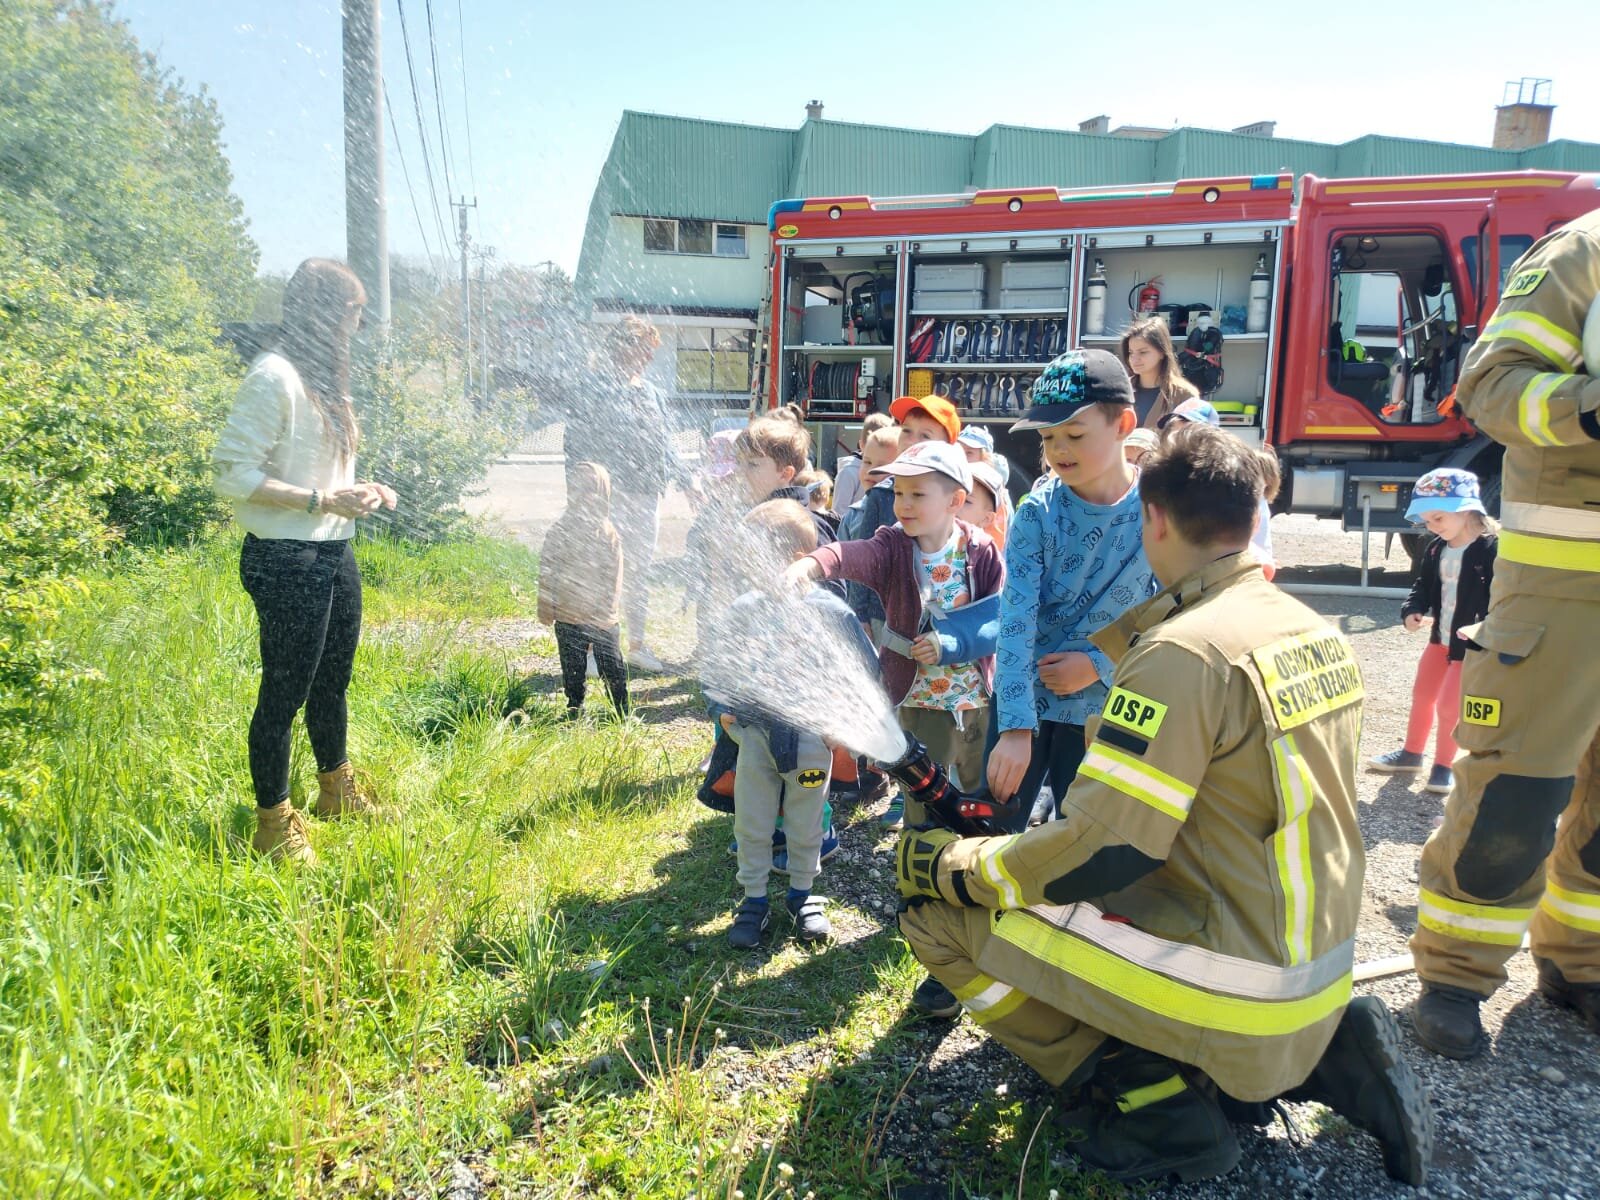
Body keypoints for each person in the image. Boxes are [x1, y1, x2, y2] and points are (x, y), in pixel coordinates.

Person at [896, 422, 1431, 1187]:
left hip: (1240, 978)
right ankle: (1325, 1052)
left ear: (1154, 518)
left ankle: (1158, 1107)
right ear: (1250, 516)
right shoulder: (1311, 631)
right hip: (1313, 959)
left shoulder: (1184, 655)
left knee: (938, 917)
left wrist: (960, 866)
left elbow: (1105, 849)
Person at [1410, 209, 1600, 1057]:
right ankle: (1455, 973)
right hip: (1566, 585)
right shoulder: (1586, 251)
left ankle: (1581, 961)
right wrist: (1589, 406)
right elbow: (1491, 386)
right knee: (1517, 791)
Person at [212, 257, 397, 865]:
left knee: (332, 681)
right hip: (285, 557)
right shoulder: (273, 376)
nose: (357, 327)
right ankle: (273, 823)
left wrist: (364, 488)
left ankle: (335, 790)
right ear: (324, 313)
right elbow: (232, 474)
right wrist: (321, 498)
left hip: (332, 547)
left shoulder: (320, 378)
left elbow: (322, 475)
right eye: (353, 314)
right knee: (284, 692)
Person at [987, 349, 1159, 831]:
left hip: (1109, 707)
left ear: (1124, 424)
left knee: (1098, 837)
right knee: (997, 828)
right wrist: (1015, 729)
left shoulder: (1160, 511)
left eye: (1075, 434)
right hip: (1028, 707)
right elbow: (1015, 622)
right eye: (1047, 437)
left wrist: (1100, 663)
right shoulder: (1035, 514)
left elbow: (1173, 612)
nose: (1058, 448)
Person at [701, 500, 878, 947]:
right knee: (753, 821)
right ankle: (753, 899)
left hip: (809, 743)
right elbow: (718, 669)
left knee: (806, 819)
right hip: (755, 739)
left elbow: (866, 672)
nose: (747, 566)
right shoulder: (743, 610)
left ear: (799, 561)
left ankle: (803, 894)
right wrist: (719, 707)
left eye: (755, 555)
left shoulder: (833, 614)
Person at [564, 316, 696, 674]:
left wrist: (687, 482)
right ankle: (592, 652)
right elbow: (575, 442)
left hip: (645, 495)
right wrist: (577, 490)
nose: (649, 358)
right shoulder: (592, 388)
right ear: (622, 347)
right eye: (644, 350)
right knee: (601, 570)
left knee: (638, 570)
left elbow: (666, 443)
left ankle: (637, 645)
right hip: (606, 495)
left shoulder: (651, 392)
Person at [1368, 469, 1497, 797]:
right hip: (1439, 640)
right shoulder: (1435, 548)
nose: (1431, 526)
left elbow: (1504, 596)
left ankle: (1444, 766)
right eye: (1426, 520)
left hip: (1472, 645)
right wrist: (1412, 610)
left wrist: (1490, 628)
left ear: (1467, 510)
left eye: (1437, 517)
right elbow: (1423, 586)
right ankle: (1411, 754)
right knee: (1423, 696)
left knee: (1449, 706)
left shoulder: (1493, 549)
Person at [840, 394, 963, 632]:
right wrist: (861, 616)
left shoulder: (955, 496)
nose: (912, 441)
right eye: (906, 430)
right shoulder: (880, 495)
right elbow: (863, 557)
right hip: (882, 617)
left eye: (925, 435)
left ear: (948, 447)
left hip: (940, 618)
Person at [537, 461, 629, 721]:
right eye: (579, 487)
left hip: (602, 618)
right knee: (572, 668)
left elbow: (614, 576)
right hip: (568, 614)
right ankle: (574, 706)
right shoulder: (559, 531)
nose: (585, 494)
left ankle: (621, 711)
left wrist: (608, 610)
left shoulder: (608, 533)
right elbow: (547, 570)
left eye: (591, 488)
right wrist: (546, 606)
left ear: (604, 494)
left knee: (612, 667)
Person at [1158, 397, 1278, 580]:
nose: (1177, 443)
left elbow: (1255, 546)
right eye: (1173, 434)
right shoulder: (1162, 481)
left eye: (1187, 434)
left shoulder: (1233, 485)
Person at [1121, 315, 1199, 429]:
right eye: (1131, 352)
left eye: (1143, 352)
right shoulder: (1121, 391)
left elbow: (1192, 439)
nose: (1134, 359)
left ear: (1162, 352)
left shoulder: (1184, 395)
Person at [833, 412, 895, 513]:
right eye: (868, 462)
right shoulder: (848, 472)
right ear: (861, 445)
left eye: (881, 465)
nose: (872, 470)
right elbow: (839, 510)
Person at [961, 460, 1010, 551]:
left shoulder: (986, 555)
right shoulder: (932, 535)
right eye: (953, 496)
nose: (957, 503)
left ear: (986, 519)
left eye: (967, 501)